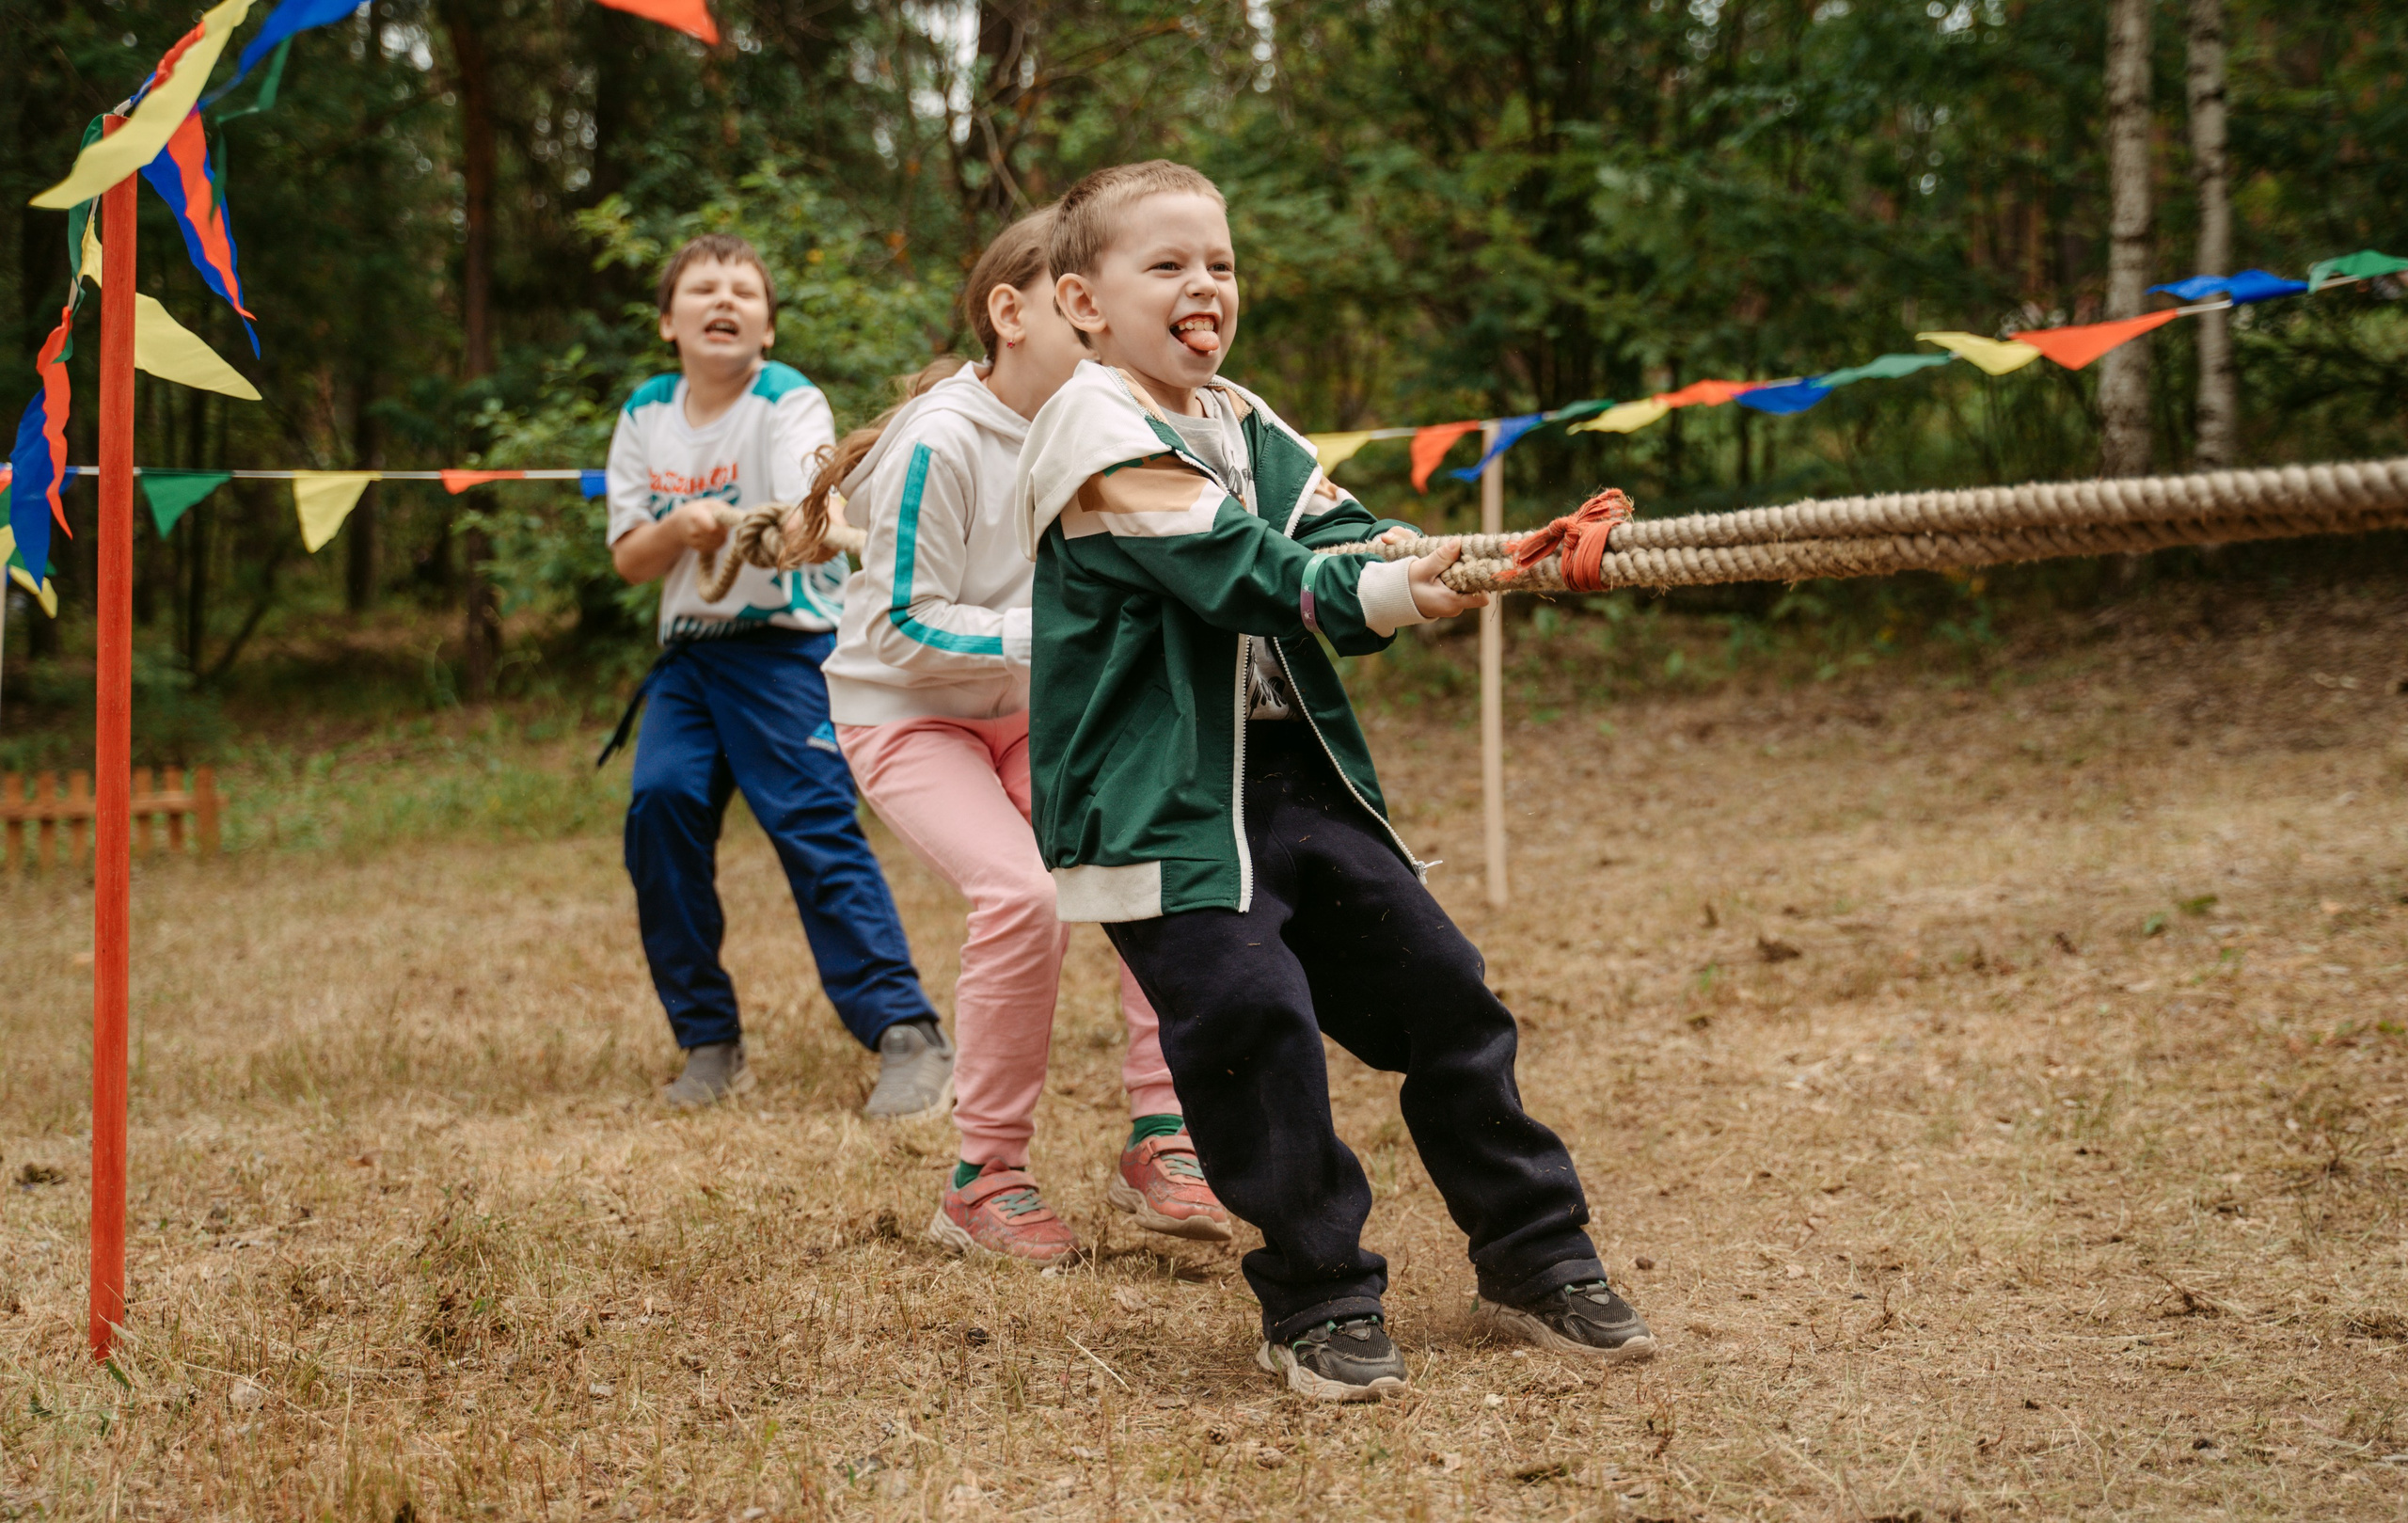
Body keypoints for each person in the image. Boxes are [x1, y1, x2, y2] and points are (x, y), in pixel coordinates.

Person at [1009, 162, 1658, 1400]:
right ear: (1085, 305)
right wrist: (1408, 583)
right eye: (1169, 265)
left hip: (1292, 779)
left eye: (1223, 262)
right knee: (1254, 1027)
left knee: (1446, 998)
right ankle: (1316, 1298)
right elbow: (1243, 571)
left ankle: (1537, 1254)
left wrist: (1434, 559)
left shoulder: (1241, 416)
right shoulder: (1089, 429)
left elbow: (1337, 534)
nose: (1205, 284)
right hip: (1166, 806)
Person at [810, 209, 1233, 1265]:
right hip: (906, 713)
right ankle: (982, 1176)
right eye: (1073, 303)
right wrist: (1056, 634)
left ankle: (1163, 1135)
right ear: (1011, 312)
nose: (1101, 325)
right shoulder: (940, 439)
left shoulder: (1110, 422)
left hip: (1029, 708)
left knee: (1144, 863)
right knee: (1024, 895)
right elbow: (905, 623)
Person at [603, 232, 952, 1117]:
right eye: (703, 289)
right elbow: (630, 561)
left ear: (766, 326)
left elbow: (811, 501)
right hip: (690, 658)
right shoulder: (647, 413)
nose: (725, 300)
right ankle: (707, 1040)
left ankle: (906, 1032)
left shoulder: (789, 398)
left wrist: (792, 523)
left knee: (811, 825)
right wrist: (682, 529)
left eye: (745, 291)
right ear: (667, 323)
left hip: (789, 650)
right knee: (660, 808)